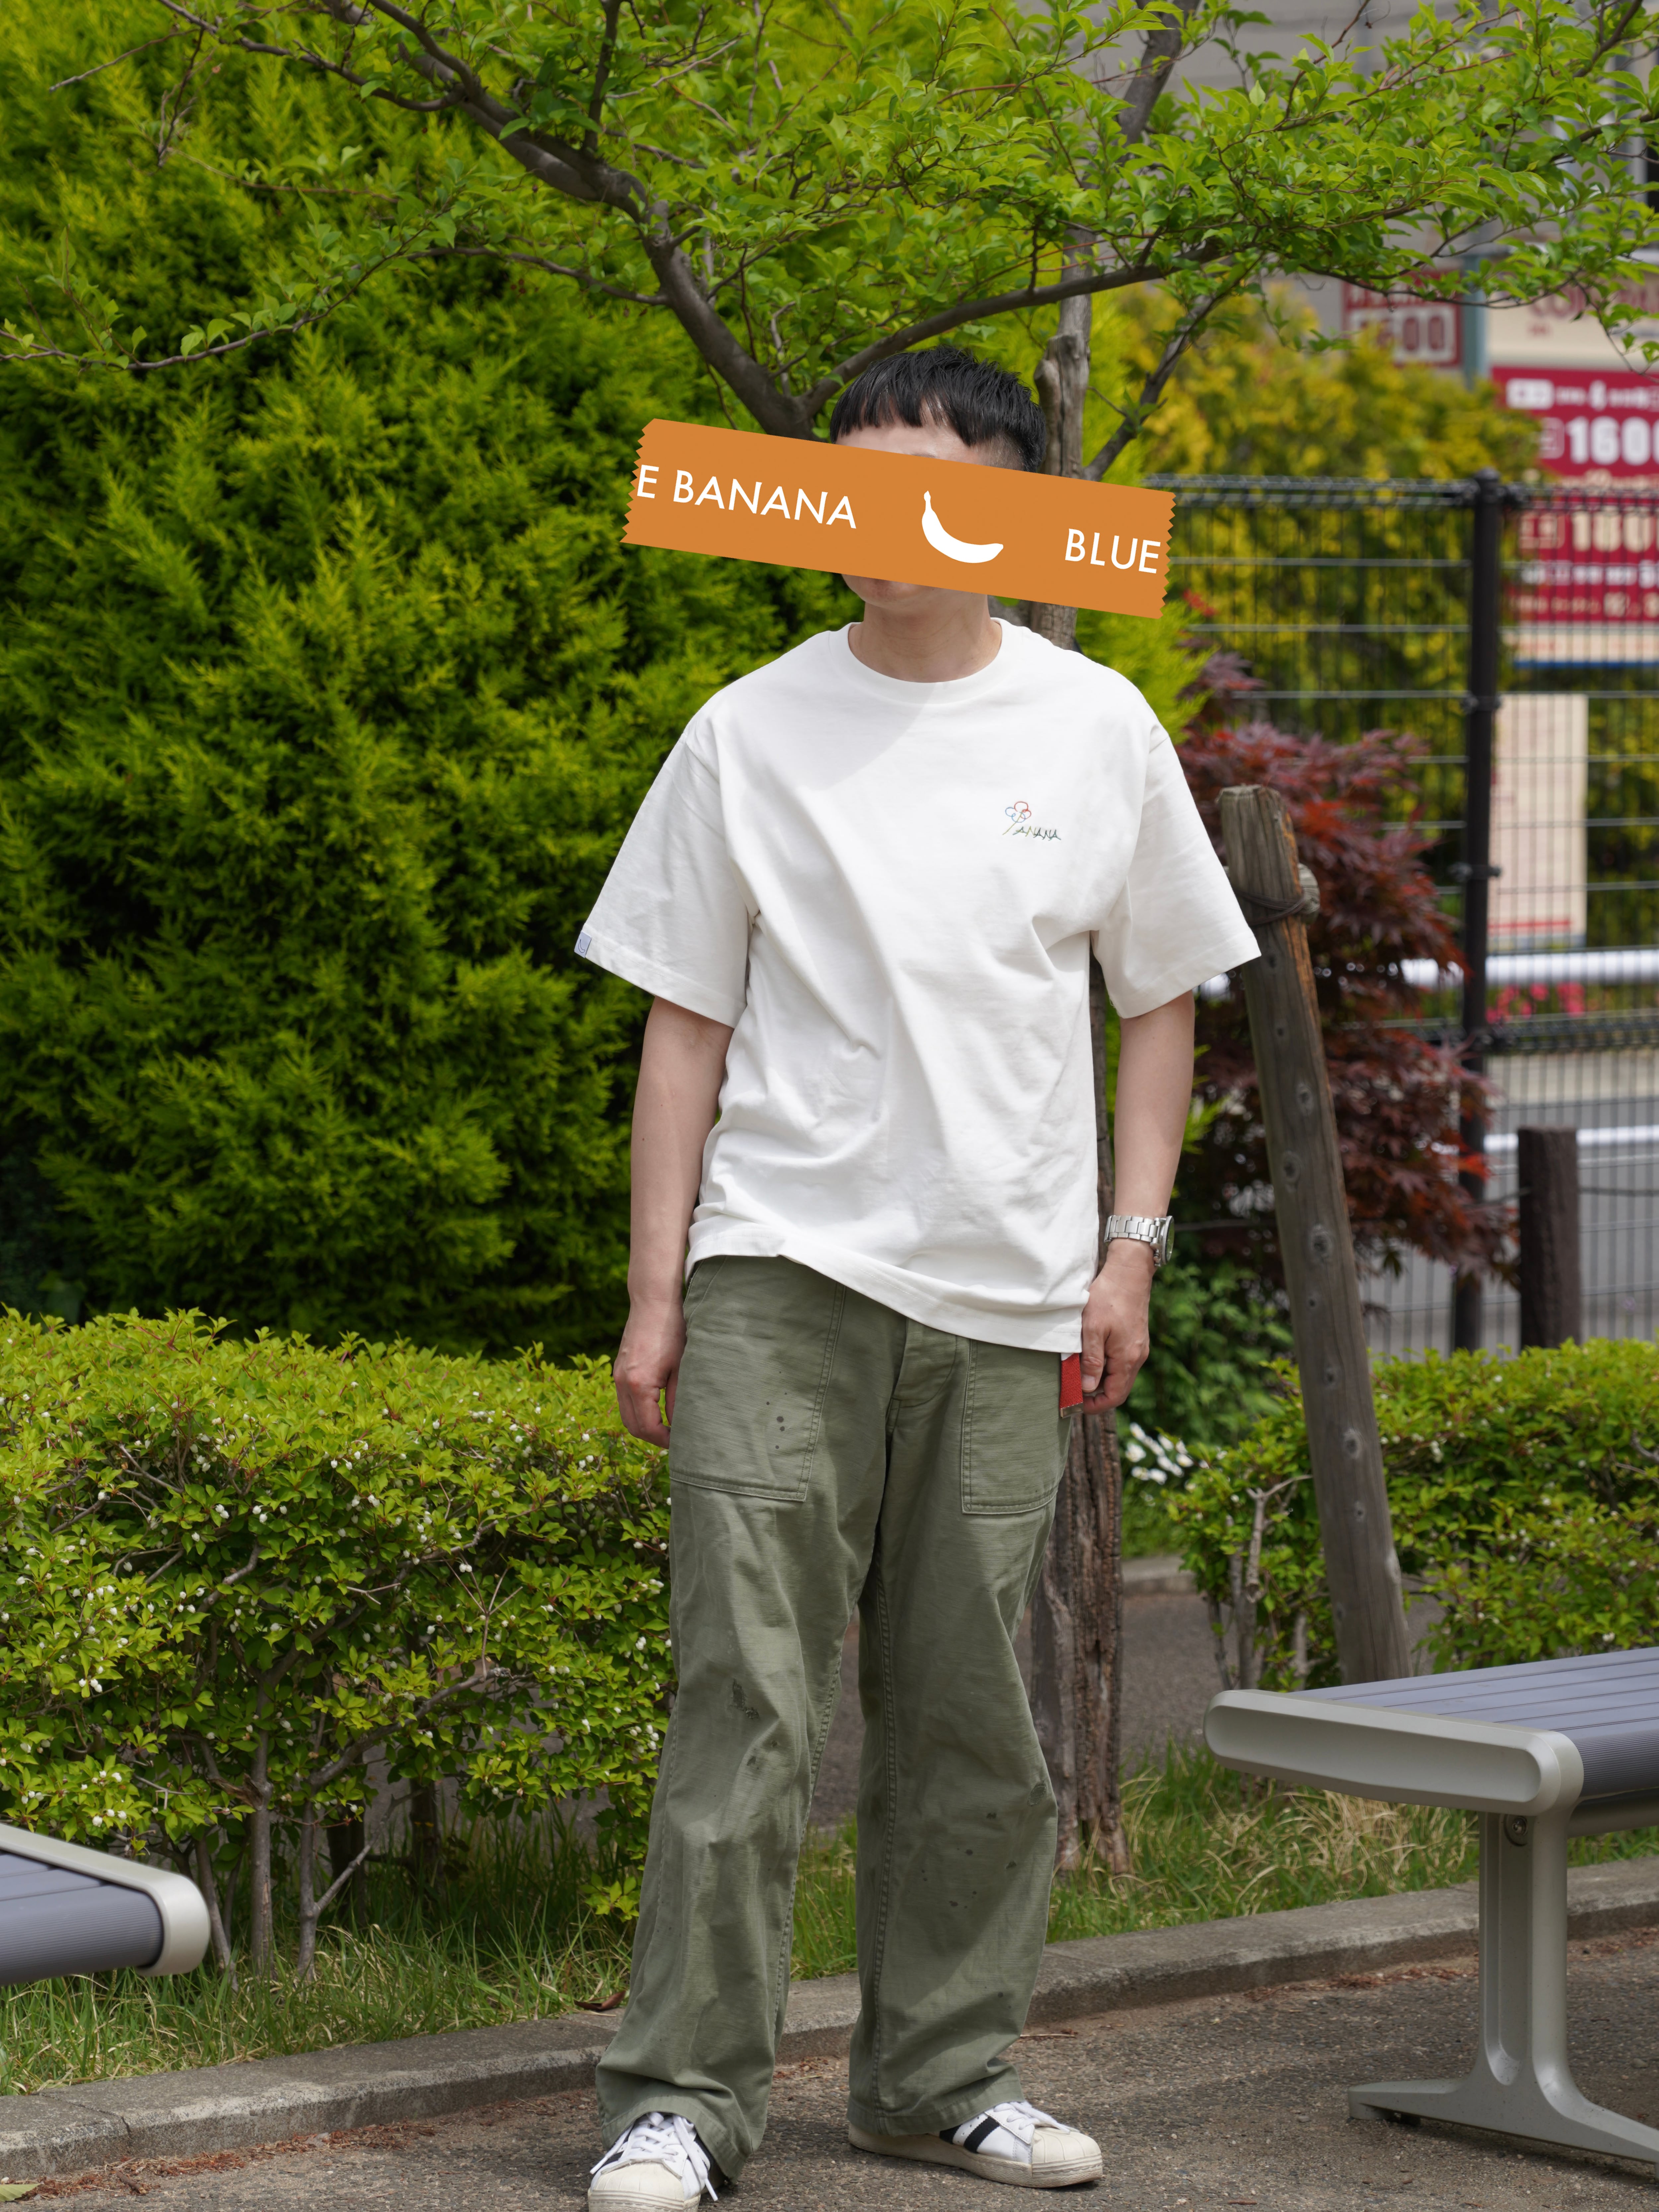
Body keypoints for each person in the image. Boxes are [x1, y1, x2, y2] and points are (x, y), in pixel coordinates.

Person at [577, 344, 1258, 2208]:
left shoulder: (1095, 726)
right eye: (849, 483)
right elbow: (683, 1026)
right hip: (779, 1267)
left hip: (1006, 1291)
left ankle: (940, 2078)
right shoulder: (747, 729)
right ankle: (679, 2101)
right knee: (746, 1697)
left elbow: (1159, 1000)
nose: (877, 522)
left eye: (923, 484)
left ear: (1011, 508)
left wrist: (1128, 1250)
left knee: (969, 1714)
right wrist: (657, 1293)